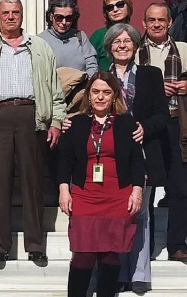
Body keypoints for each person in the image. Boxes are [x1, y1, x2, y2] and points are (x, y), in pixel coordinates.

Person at [0, 0, 64, 265]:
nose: (11, 16)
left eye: (16, 12)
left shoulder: (41, 47)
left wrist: (55, 121)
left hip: (32, 115)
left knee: (33, 182)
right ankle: (0, 245)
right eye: (5, 12)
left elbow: (55, 89)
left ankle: (35, 244)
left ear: (22, 15)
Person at [57, 72, 145, 297]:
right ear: (89, 94)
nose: (100, 97)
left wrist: (136, 191)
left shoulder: (128, 123)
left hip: (118, 195)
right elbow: (65, 159)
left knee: (110, 254)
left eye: (106, 92)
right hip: (85, 195)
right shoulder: (75, 123)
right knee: (84, 253)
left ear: (114, 95)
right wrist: (64, 190)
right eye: (95, 92)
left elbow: (137, 159)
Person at [103, 23, 171, 294]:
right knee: (115, 214)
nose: (122, 45)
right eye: (117, 41)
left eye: (127, 41)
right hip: (108, 155)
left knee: (141, 213)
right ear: (109, 47)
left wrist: (145, 127)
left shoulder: (150, 75)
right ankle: (118, 271)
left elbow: (163, 115)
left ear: (135, 45)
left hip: (142, 153)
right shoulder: (100, 77)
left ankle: (141, 274)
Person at [137, 2, 187, 263]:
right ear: (143, 23)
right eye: (151, 20)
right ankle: (147, 247)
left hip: (178, 123)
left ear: (169, 21)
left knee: (179, 188)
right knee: (147, 189)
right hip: (148, 128)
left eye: (161, 20)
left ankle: (177, 245)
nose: (156, 24)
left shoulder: (185, 50)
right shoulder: (134, 51)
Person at [39, 0, 99, 76]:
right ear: (51, 17)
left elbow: (92, 65)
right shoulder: (41, 40)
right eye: (59, 17)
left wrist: (86, 83)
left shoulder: (80, 37)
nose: (64, 22)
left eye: (68, 18)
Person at [89, 0, 136, 71]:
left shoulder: (135, 34)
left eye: (120, 4)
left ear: (128, 7)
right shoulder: (98, 35)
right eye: (110, 7)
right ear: (106, 12)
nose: (115, 10)